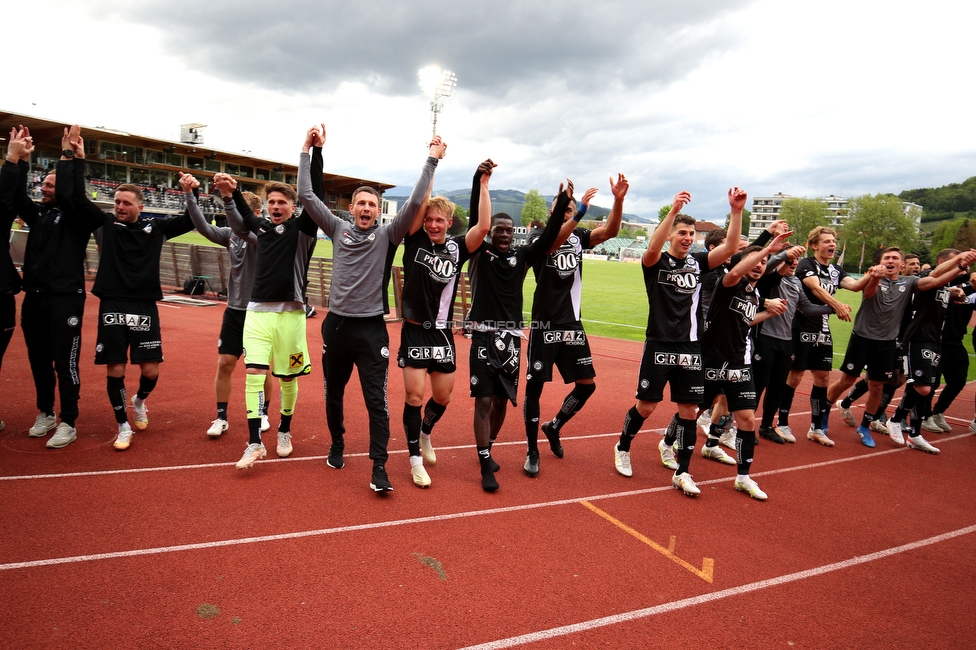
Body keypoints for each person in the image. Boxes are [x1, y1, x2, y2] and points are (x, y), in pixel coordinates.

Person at [298, 124, 443, 492]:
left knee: (376, 402)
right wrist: (306, 150)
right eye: (361, 203)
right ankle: (336, 442)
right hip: (337, 327)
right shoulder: (335, 228)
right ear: (351, 209)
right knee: (334, 393)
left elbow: (413, 204)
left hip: (370, 330)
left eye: (372, 205)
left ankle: (379, 467)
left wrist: (432, 161)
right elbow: (306, 195)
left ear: (379, 213)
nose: (366, 208)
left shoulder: (387, 235)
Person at [612, 187, 743, 497]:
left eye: (691, 233)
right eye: (682, 232)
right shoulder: (654, 262)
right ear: (669, 235)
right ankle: (623, 446)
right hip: (659, 344)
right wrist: (671, 212)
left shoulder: (698, 262)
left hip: (690, 348)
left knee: (688, 411)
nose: (688, 237)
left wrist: (736, 212)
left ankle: (683, 471)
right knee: (646, 407)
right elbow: (652, 250)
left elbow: (730, 249)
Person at [75, 160, 195, 451]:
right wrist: (75, 159)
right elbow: (77, 200)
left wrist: (189, 193)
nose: (120, 206)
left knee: (151, 370)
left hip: (143, 306)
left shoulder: (156, 229)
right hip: (112, 303)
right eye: (117, 202)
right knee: (114, 368)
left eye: (126, 203)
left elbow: (191, 220)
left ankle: (139, 400)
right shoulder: (104, 225)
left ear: (140, 207)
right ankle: (122, 425)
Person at [465, 170, 569, 491]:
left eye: (510, 230)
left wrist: (564, 202)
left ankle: (489, 445)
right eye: (500, 229)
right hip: (483, 336)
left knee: (500, 402)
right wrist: (478, 182)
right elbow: (475, 217)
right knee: (483, 402)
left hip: (511, 341)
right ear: (490, 232)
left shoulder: (522, 256)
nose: (505, 234)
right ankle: (485, 463)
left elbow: (551, 236)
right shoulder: (479, 252)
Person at [522, 173, 628, 477]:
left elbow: (610, 231)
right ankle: (531, 450)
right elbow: (554, 238)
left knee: (587, 385)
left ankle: (554, 426)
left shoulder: (579, 237)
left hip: (573, 325)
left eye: (568, 211)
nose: (565, 215)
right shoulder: (539, 238)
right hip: (545, 326)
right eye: (560, 210)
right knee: (535, 388)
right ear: (551, 213)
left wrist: (618, 200)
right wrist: (575, 211)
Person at [397, 160, 492, 488]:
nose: (434, 224)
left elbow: (483, 226)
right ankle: (414, 460)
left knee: (443, 398)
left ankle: (425, 434)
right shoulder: (414, 240)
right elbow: (420, 201)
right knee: (414, 396)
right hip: (413, 329)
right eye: (430, 220)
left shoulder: (456, 248)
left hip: (442, 334)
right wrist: (433, 162)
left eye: (440, 220)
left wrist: (483, 184)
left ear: (449, 223)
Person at [825, 247, 976, 449]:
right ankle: (823, 415)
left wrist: (961, 265)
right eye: (886, 257)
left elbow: (934, 281)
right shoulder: (873, 277)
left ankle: (865, 426)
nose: (890, 260)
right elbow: (868, 293)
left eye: (895, 258)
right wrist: (875, 278)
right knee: (847, 380)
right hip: (862, 337)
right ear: (880, 261)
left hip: (888, 341)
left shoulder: (909, 282)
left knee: (878, 385)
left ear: (901, 264)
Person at [177, 173, 274, 439]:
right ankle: (221, 416)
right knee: (225, 363)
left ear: (254, 213)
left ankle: (263, 411)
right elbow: (203, 227)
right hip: (234, 310)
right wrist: (188, 196)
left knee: (262, 367)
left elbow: (247, 229)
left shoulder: (261, 237)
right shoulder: (231, 235)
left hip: (260, 312)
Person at [699, 231, 791, 499]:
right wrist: (767, 249)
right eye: (755, 261)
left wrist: (766, 312)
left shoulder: (754, 293)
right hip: (713, 359)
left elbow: (744, 322)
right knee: (694, 409)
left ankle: (743, 477)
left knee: (747, 419)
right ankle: (668, 443)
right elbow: (735, 272)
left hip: (740, 363)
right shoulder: (728, 283)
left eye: (763, 262)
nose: (760, 265)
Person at [783, 227, 871, 447]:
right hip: (801, 328)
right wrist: (837, 305)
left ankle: (816, 428)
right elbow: (815, 288)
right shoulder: (806, 265)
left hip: (823, 330)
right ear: (814, 245)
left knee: (822, 378)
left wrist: (872, 275)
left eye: (834, 241)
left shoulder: (836, 270)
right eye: (827, 241)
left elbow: (854, 285)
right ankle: (782, 422)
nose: (832, 245)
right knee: (794, 376)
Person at [887, 248, 976, 451]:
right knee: (923, 387)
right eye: (952, 263)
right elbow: (936, 276)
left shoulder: (946, 286)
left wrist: (960, 290)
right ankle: (896, 419)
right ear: (942, 262)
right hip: (917, 339)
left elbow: (953, 284)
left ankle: (916, 433)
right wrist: (961, 263)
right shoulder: (925, 277)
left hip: (934, 341)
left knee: (925, 388)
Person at [750, 246, 833, 443]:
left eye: (796, 260)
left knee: (777, 387)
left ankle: (766, 427)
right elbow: (769, 266)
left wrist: (832, 308)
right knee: (758, 385)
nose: (794, 263)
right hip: (765, 338)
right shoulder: (769, 278)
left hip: (786, 341)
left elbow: (805, 307)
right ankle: (744, 427)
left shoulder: (796, 282)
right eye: (791, 260)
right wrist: (784, 256)